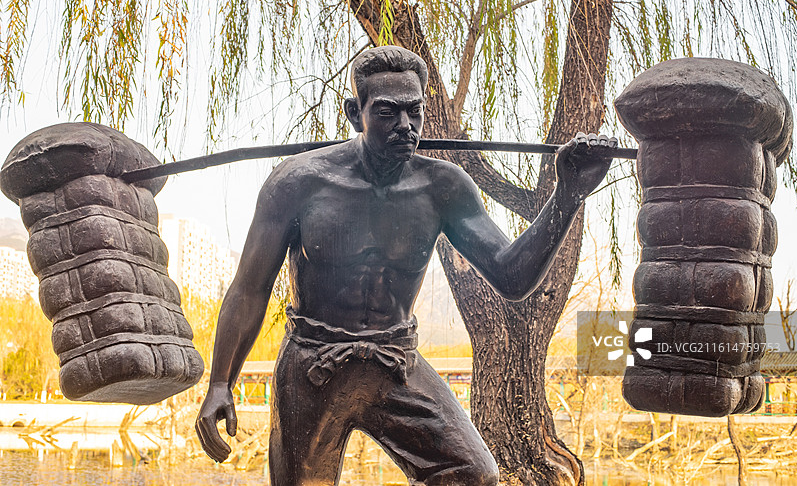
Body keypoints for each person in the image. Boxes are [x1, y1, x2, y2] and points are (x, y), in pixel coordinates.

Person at [195, 45, 617, 486]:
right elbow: (249, 289)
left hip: (397, 362)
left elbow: (512, 278)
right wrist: (221, 381)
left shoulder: (443, 187)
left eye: (414, 111)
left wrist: (567, 195)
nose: (404, 126)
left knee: (473, 473)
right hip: (313, 364)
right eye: (386, 112)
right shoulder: (298, 183)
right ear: (353, 112)